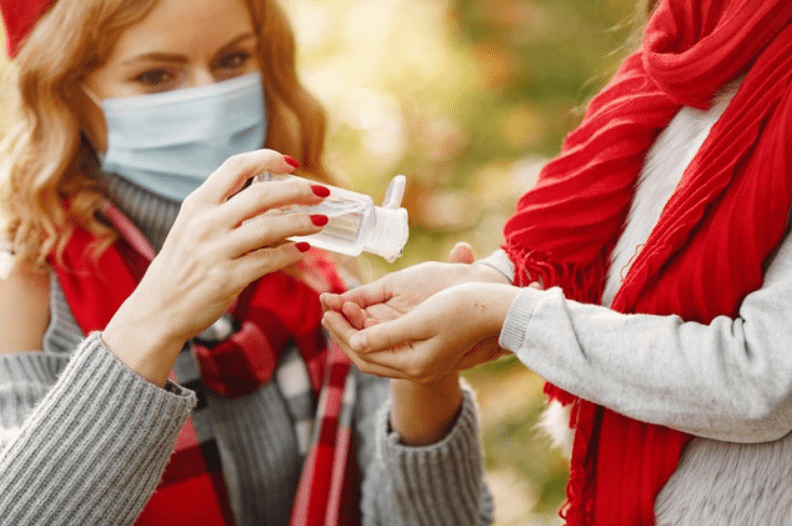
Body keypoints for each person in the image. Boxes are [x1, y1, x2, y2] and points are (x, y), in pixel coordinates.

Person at [0, 1, 493, 525]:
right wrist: (157, 317)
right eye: (156, 75)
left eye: (232, 60)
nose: (207, 100)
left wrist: (424, 377)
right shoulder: (27, 293)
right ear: (66, 90)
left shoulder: (312, 266)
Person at [322, 0, 792, 524]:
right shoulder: (692, 31)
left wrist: (512, 315)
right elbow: (595, 227)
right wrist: (490, 278)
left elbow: (762, 377)